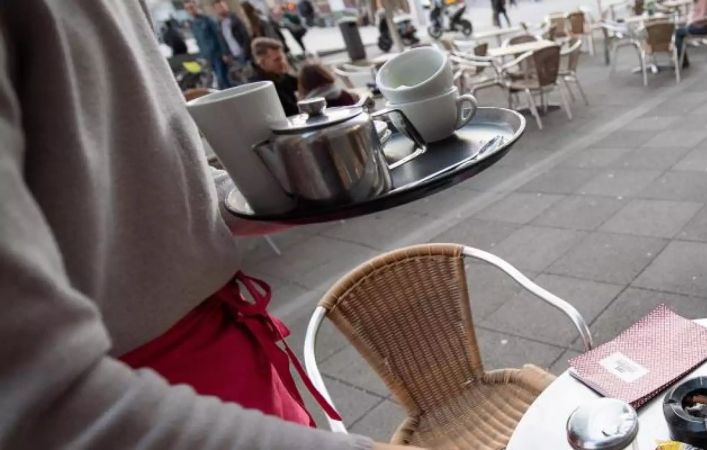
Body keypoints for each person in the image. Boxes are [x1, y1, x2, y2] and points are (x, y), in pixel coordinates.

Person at [0, 1, 424, 449]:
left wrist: (240, 199)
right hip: (147, 401)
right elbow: (34, 401)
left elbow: (113, 176)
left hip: (225, 352)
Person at [185, 0, 232, 88]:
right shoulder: (193, 25)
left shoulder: (208, 20)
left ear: (197, 7)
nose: (191, 11)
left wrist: (225, 52)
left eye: (191, 8)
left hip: (217, 55)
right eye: (188, 9)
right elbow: (199, 41)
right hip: (207, 57)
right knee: (217, 82)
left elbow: (219, 37)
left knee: (223, 80)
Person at [250, 37, 300, 115]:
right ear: (262, 63)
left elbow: (301, 83)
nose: (283, 62)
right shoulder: (262, 86)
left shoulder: (278, 75)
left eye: (283, 58)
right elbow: (291, 110)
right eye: (277, 60)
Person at [675, 0, 707, 68]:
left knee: (677, 33)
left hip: (701, 27)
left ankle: (682, 61)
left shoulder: (704, 2)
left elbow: (702, 17)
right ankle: (682, 60)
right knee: (679, 31)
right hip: (701, 26)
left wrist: (691, 21)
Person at [213, 0, 252, 66]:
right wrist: (225, 53)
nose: (221, 9)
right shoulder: (219, 24)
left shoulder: (235, 19)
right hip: (233, 56)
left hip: (243, 52)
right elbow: (222, 40)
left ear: (226, 6)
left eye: (222, 6)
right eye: (218, 8)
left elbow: (245, 36)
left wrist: (245, 51)